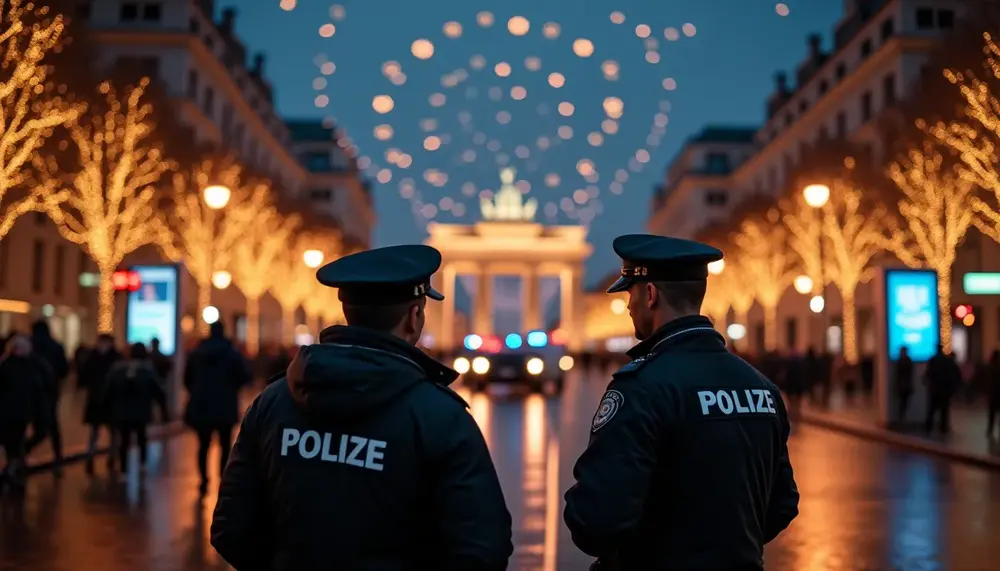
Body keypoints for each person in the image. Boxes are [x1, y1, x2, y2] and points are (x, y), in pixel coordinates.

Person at [211, 244, 513, 571]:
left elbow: (231, 529)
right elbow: (483, 549)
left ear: (348, 312)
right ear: (414, 317)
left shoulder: (273, 401)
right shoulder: (441, 416)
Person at [563, 234, 799, 570]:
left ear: (649, 294)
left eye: (630, 292)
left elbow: (596, 521)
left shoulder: (642, 388)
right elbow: (782, 504)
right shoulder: (761, 386)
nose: (628, 305)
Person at [183, 320, 252, 496]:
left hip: (201, 405)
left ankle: (203, 481)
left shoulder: (197, 352)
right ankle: (224, 480)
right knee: (225, 445)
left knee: (203, 445)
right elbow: (244, 377)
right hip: (225, 406)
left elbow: (187, 378)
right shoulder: (232, 353)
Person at [105, 343, 169, 476]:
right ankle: (142, 464)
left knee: (124, 439)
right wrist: (164, 410)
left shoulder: (118, 369)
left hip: (121, 412)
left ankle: (123, 469)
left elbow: (108, 390)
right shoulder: (147, 369)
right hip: (141, 411)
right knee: (141, 437)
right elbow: (158, 390)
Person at [0, 335, 49, 495]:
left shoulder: (23, 365)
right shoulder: (10, 367)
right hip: (11, 413)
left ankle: (12, 473)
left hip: (19, 413)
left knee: (15, 445)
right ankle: (12, 474)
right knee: (14, 445)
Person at [30, 319, 69, 472]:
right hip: (50, 390)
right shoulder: (56, 347)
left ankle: (21, 454)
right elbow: (64, 370)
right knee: (52, 425)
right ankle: (57, 458)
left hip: (30, 391)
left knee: (31, 423)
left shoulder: (31, 346)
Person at [80, 333, 122, 474]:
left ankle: (108, 456)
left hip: (108, 399)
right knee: (97, 430)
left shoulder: (97, 357)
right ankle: (93, 455)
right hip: (100, 399)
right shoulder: (110, 358)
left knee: (109, 431)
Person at [924, 344, 961, 434]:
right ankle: (943, 428)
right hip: (945, 390)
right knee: (944, 411)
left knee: (931, 410)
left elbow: (928, 374)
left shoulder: (933, 360)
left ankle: (928, 427)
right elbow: (955, 374)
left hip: (934, 389)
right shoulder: (948, 361)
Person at [894, 346, 914, 424]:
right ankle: (902, 418)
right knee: (903, 402)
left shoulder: (900, 361)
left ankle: (901, 418)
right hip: (904, 385)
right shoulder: (907, 360)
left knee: (903, 402)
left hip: (903, 385)